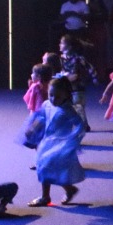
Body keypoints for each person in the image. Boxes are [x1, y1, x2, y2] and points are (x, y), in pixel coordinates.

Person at [24, 77, 86, 206]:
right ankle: (67, 190)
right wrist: (32, 128)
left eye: (57, 96)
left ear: (66, 95)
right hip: (47, 143)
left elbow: (80, 125)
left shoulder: (68, 110)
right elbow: (41, 117)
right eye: (51, 95)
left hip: (60, 146)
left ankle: (46, 196)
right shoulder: (46, 104)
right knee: (46, 168)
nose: (53, 99)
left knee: (48, 168)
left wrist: (73, 139)